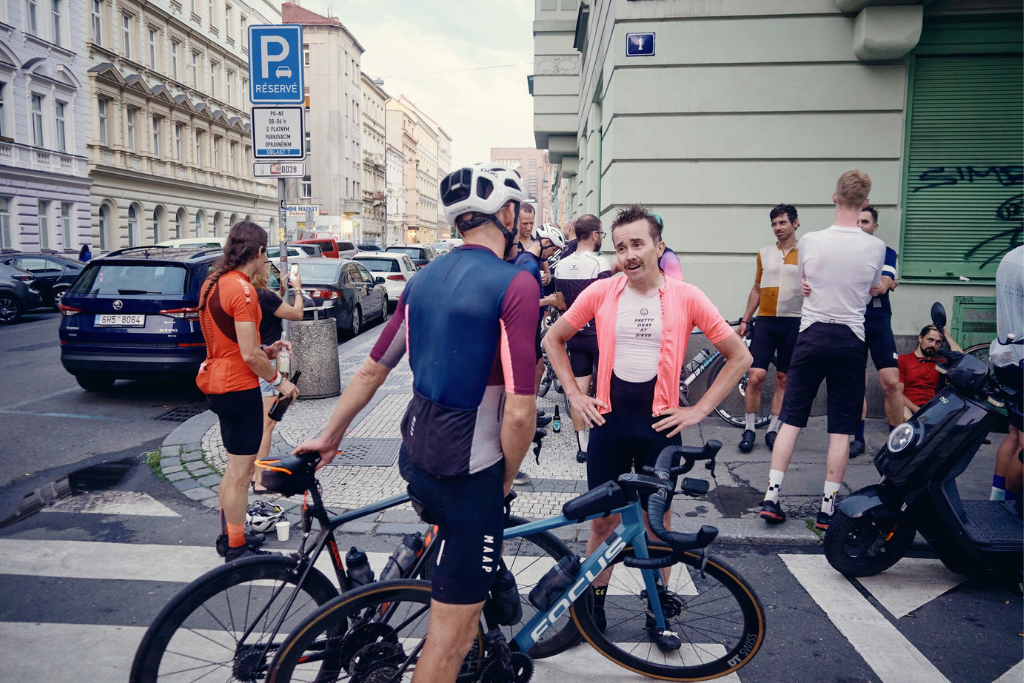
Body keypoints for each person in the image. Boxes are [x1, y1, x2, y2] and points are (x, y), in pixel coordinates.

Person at [292, 163, 539, 683]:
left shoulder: (422, 279)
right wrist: (507, 480)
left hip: (418, 461)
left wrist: (329, 435)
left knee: (458, 608)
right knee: (448, 646)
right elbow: (519, 411)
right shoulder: (516, 284)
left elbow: (370, 368)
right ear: (508, 214)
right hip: (469, 478)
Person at [544, 203, 751, 652]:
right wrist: (575, 395)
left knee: (658, 528)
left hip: (659, 427)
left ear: (659, 245)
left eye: (637, 244)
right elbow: (553, 339)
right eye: (620, 247)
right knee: (602, 523)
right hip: (609, 424)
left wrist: (697, 411)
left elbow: (740, 356)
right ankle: (592, 607)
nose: (629, 254)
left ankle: (657, 611)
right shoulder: (602, 292)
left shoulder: (687, 296)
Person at [759, 171, 885, 532]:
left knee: (791, 420)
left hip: (811, 335)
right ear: (864, 203)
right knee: (841, 430)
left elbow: (806, 282)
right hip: (849, 339)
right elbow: (874, 286)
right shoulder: (874, 247)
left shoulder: (811, 241)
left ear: (834, 198)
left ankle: (771, 497)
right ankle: (827, 509)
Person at [196, 221, 299, 562]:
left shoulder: (212, 282)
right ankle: (236, 547)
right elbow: (248, 354)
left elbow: (236, 343)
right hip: (238, 388)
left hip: (216, 381)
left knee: (232, 469)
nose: (265, 258)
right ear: (258, 252)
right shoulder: (241, 289)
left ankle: (229, 535)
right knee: (241, 475)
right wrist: (279, 380)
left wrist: (267, 350)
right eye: (265, 252)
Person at [736, 205, 801, 453]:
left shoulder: (806, 253)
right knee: (756, 377)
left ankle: (773, 429)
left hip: (794, 321)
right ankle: (750, 429)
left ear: (795, 223)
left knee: (783, 378)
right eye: (774, 224)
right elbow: (756, 289)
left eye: (782, 222)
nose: (777, 228)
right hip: (766, 321)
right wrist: (745, 320)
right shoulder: (764, 253)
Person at [552, 216, 611, 463]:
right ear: (595, 235)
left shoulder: (561, 265)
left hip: (574, 335)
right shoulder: (600, 262)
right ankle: (604, 441)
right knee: (606, 391)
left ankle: (582, 446)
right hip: (599, 335)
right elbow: (608, 304)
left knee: (578, 391)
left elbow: (560, 302)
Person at [510, 222, 565, 485]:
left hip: (530, 327)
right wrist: (550, 301)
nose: (552, 252)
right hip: (525, 329)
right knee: (533, 373)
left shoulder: (529, 260)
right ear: (544, 242)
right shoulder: (529, 264)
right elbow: (523, 300)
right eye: (553, 247)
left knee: (540, 366)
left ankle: (529, 414)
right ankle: (526, 419)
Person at [848, 206, 903, 456]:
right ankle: (857, 438)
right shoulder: (844, 254)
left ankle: (898, 441)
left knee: (891, 382)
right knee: (857, 384)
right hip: (853, 321)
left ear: (874, 227)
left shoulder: (887, 252)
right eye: (857, 221)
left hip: (878, 321)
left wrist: (886, 282)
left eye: (865, 222)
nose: (860, 226)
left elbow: (880, 287)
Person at [250, 261, 304, 493]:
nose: (269, 270)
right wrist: (298, 289)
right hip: (270, 360)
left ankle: (253, 473)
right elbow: (297, 314)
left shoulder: (252, 294)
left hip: (257, 355)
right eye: (266, 265)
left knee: (259, 422)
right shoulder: (265, 296)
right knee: (267, 423)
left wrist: (282, 291)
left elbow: (271, 310)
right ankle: (259, 479)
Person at [990, 246, 1023, 501]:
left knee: (1014, 434)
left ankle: (997, 498)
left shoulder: (1010, 257)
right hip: (1022, 358)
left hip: (1005, 356)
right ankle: (1012, 509)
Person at [897, 325, 962, 417]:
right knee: (901, 409)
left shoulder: (940, 364)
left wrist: (946, 334)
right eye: (930, 340)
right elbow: (897, 394)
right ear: (920, 338)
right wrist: (919, 411)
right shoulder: (902, 360)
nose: (933, 345)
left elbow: (962, 359)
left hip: (931, 409)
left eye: (938, 342)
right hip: (908, 408)